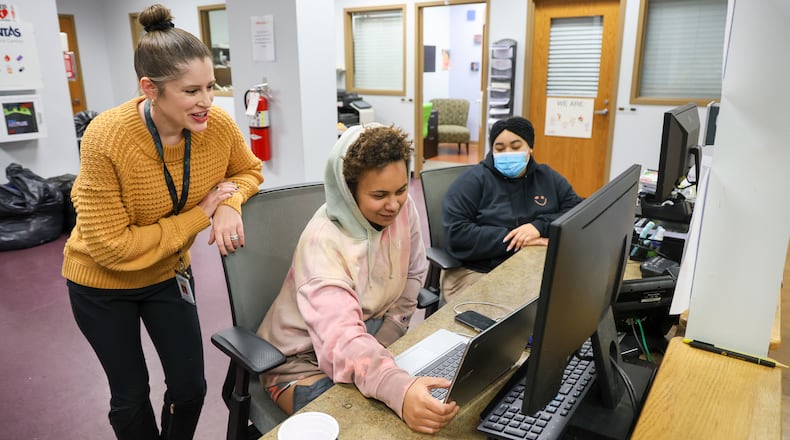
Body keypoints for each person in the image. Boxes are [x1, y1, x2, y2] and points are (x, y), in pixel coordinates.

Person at [62, 5, 263, 439]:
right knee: (131, 397)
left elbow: (248, 171)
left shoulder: (217, 126)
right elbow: (110, 246)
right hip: (101, 285)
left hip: (168, 272)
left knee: (190, 388)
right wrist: (200, 213)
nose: (207, 101)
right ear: (150, 88)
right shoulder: (106, 137)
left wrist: (229, 204)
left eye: (211, 86)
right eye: (191, 91)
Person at [256, 123, 459, 434]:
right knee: (373, 428)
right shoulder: (322, 242)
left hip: (367, 339)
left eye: (401, 190)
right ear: (349, 191)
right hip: (299, 364)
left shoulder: (402, 211)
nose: (394, 205)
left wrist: (389, 336)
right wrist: (397, 388)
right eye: (379, 195)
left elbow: (413, 274)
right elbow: (341, 339)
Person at [441, 116, 583, 300]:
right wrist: (517, 239)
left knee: (575, 299)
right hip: (478, 271)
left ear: (530, 148)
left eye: (516, 147)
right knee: (522, 314)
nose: (507, 153)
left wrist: (538, 227)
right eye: (499, 148)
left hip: (534, 266)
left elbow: (577, 210)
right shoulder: (472, 181)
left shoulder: (547, 177)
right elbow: (456, 234)